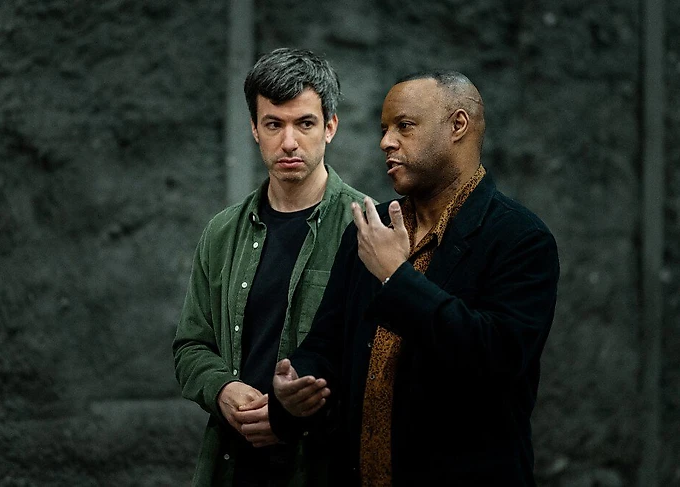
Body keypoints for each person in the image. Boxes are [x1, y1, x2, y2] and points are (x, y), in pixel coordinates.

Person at [269, 71, 560, 486]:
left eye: (404, 126)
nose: (386, 142)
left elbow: (496, 359)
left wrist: (396, 277)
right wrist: (296, 388)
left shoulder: (520, 238)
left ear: (457, 125)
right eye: (384, 129)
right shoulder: (370, 228)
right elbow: (327, 345)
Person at [172, 47, 369, 487]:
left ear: (331, 127)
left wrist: (290, 416)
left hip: (322, 467)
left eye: (305, 123)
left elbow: (379, 367)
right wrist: (222, 389)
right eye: (273, 124)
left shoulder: (366, 227)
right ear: (254, 130)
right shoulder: (222, 232)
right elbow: (191, 345)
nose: (289, 142)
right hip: (233, 464)